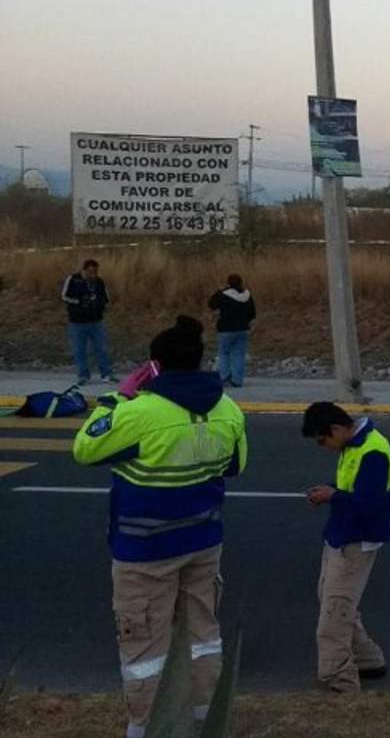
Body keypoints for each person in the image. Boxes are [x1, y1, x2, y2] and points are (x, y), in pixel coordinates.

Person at [72, 315, 247, 738]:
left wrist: (118, 398)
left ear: (156, 365)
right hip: (203, 542)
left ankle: (149, 727)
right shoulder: (228, 409)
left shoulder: (141, 412)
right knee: (203, 634)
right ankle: (207, 718)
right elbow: (236, 465)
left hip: (144, 552)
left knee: (146, 646)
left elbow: (85, 449)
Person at [301, 402, 390, 692]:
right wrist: (331, 490)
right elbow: (353, 487)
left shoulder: (373, 452)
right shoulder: (354, 446)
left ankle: (339, 681)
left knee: (335, 614)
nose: (324, 447)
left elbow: (369, 505)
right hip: (341, 535)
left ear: (336, 429)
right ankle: (368, 659)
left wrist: (333, 496)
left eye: (323, 440)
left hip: (356, 540)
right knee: (334, 602)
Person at [62, 258, 116, 384]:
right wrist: (79, 301)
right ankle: (83, 376)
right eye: (90, 272)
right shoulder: (73, 279)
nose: (93, 275)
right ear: (84, 270)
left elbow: (106, 298)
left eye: (95, 272)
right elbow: (64, 296)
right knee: (80, 350)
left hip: (96, 321)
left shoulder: (99, 282)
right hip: (77, 322)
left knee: (101, 348)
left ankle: (106, 374)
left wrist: (98, 304)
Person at [207, 274, 256, 388]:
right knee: (239, 354)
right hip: (243, 329)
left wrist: (219, 290)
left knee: (224, 353)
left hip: (226, 328)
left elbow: (211, 304)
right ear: (241, 282)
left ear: (228, 283)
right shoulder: (247, 294)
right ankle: (237, 380)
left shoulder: (223, 294)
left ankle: (224, 377)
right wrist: (245, 321)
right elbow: (253, 313)